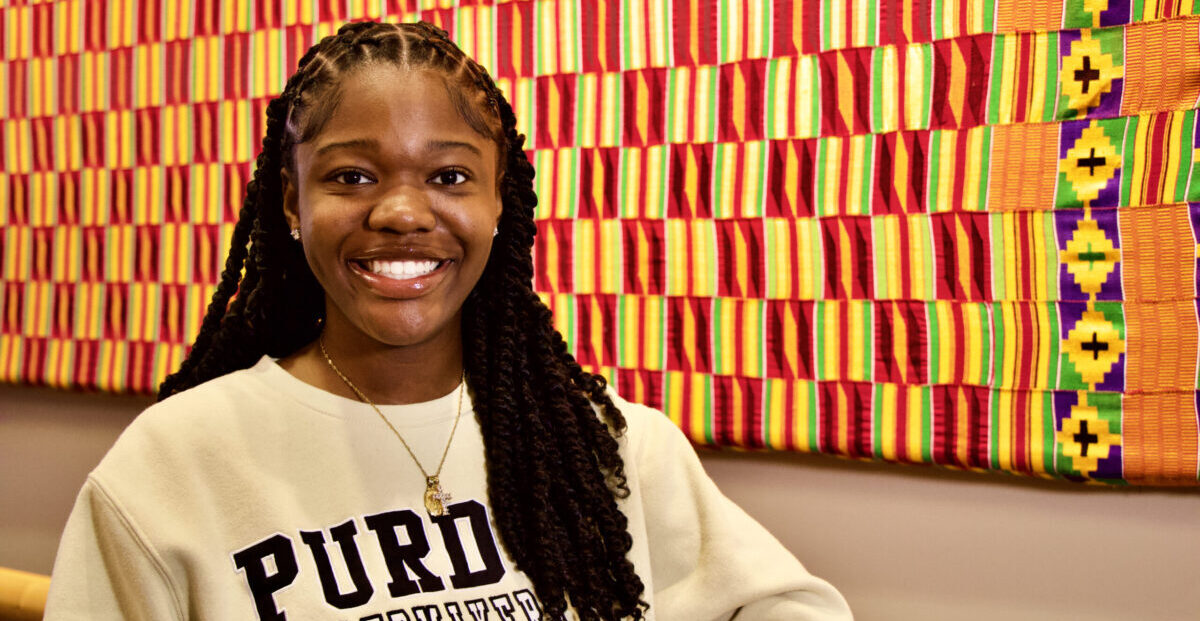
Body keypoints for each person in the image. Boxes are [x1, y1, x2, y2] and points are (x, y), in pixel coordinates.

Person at [44, 21, 852, 621]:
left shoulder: (608, 443)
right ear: (292, 202)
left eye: (450, 174)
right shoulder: (171, 463)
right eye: (352, 175)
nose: (401, 211)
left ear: (500, 201)